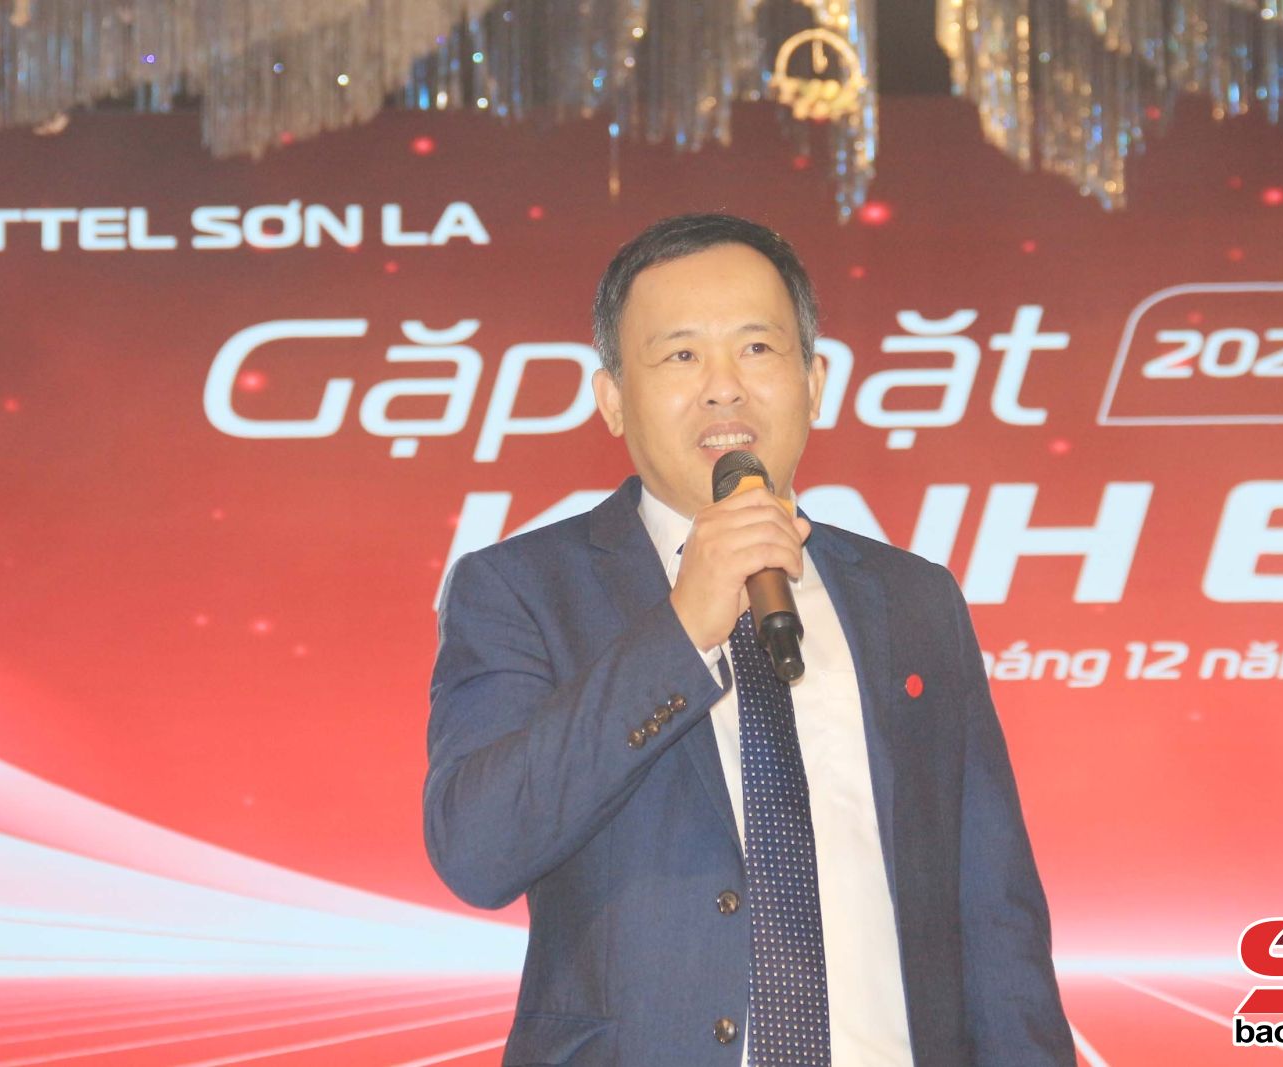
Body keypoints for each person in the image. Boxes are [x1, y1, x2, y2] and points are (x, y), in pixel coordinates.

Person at [425, 213, 1074, 1065]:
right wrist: (681, 627)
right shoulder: (521, 589)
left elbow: (996, 915)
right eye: (681, 355)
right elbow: (477, 850)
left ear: (815, 381)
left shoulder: (913, 600)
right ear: (612, 399)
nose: (724, 388)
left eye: (758, 348)